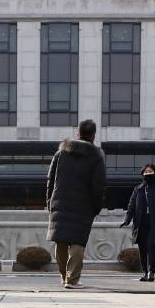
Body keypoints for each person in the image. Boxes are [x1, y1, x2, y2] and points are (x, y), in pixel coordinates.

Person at [46, 119, 107, 289]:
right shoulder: (96, 156)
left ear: (78, 133)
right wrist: (96, 207)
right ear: (93, 135)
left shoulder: (61, 153)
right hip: (83, 205)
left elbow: (50, 179)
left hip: (60, 203)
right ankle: (72, 279)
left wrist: (50, 202)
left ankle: (64, 276)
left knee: (61, 241)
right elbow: (99, 185)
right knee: (77, 243)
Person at [120, 164, 155, 282]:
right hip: (140, 222)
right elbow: (131, 205)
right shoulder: (138, 189)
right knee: (143, 249)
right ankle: (145, 272)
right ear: (142, 174)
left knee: (152, 247)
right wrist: (127, 219)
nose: (147, 173)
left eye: (150, 171)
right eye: (145, 172)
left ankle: (151, 271)